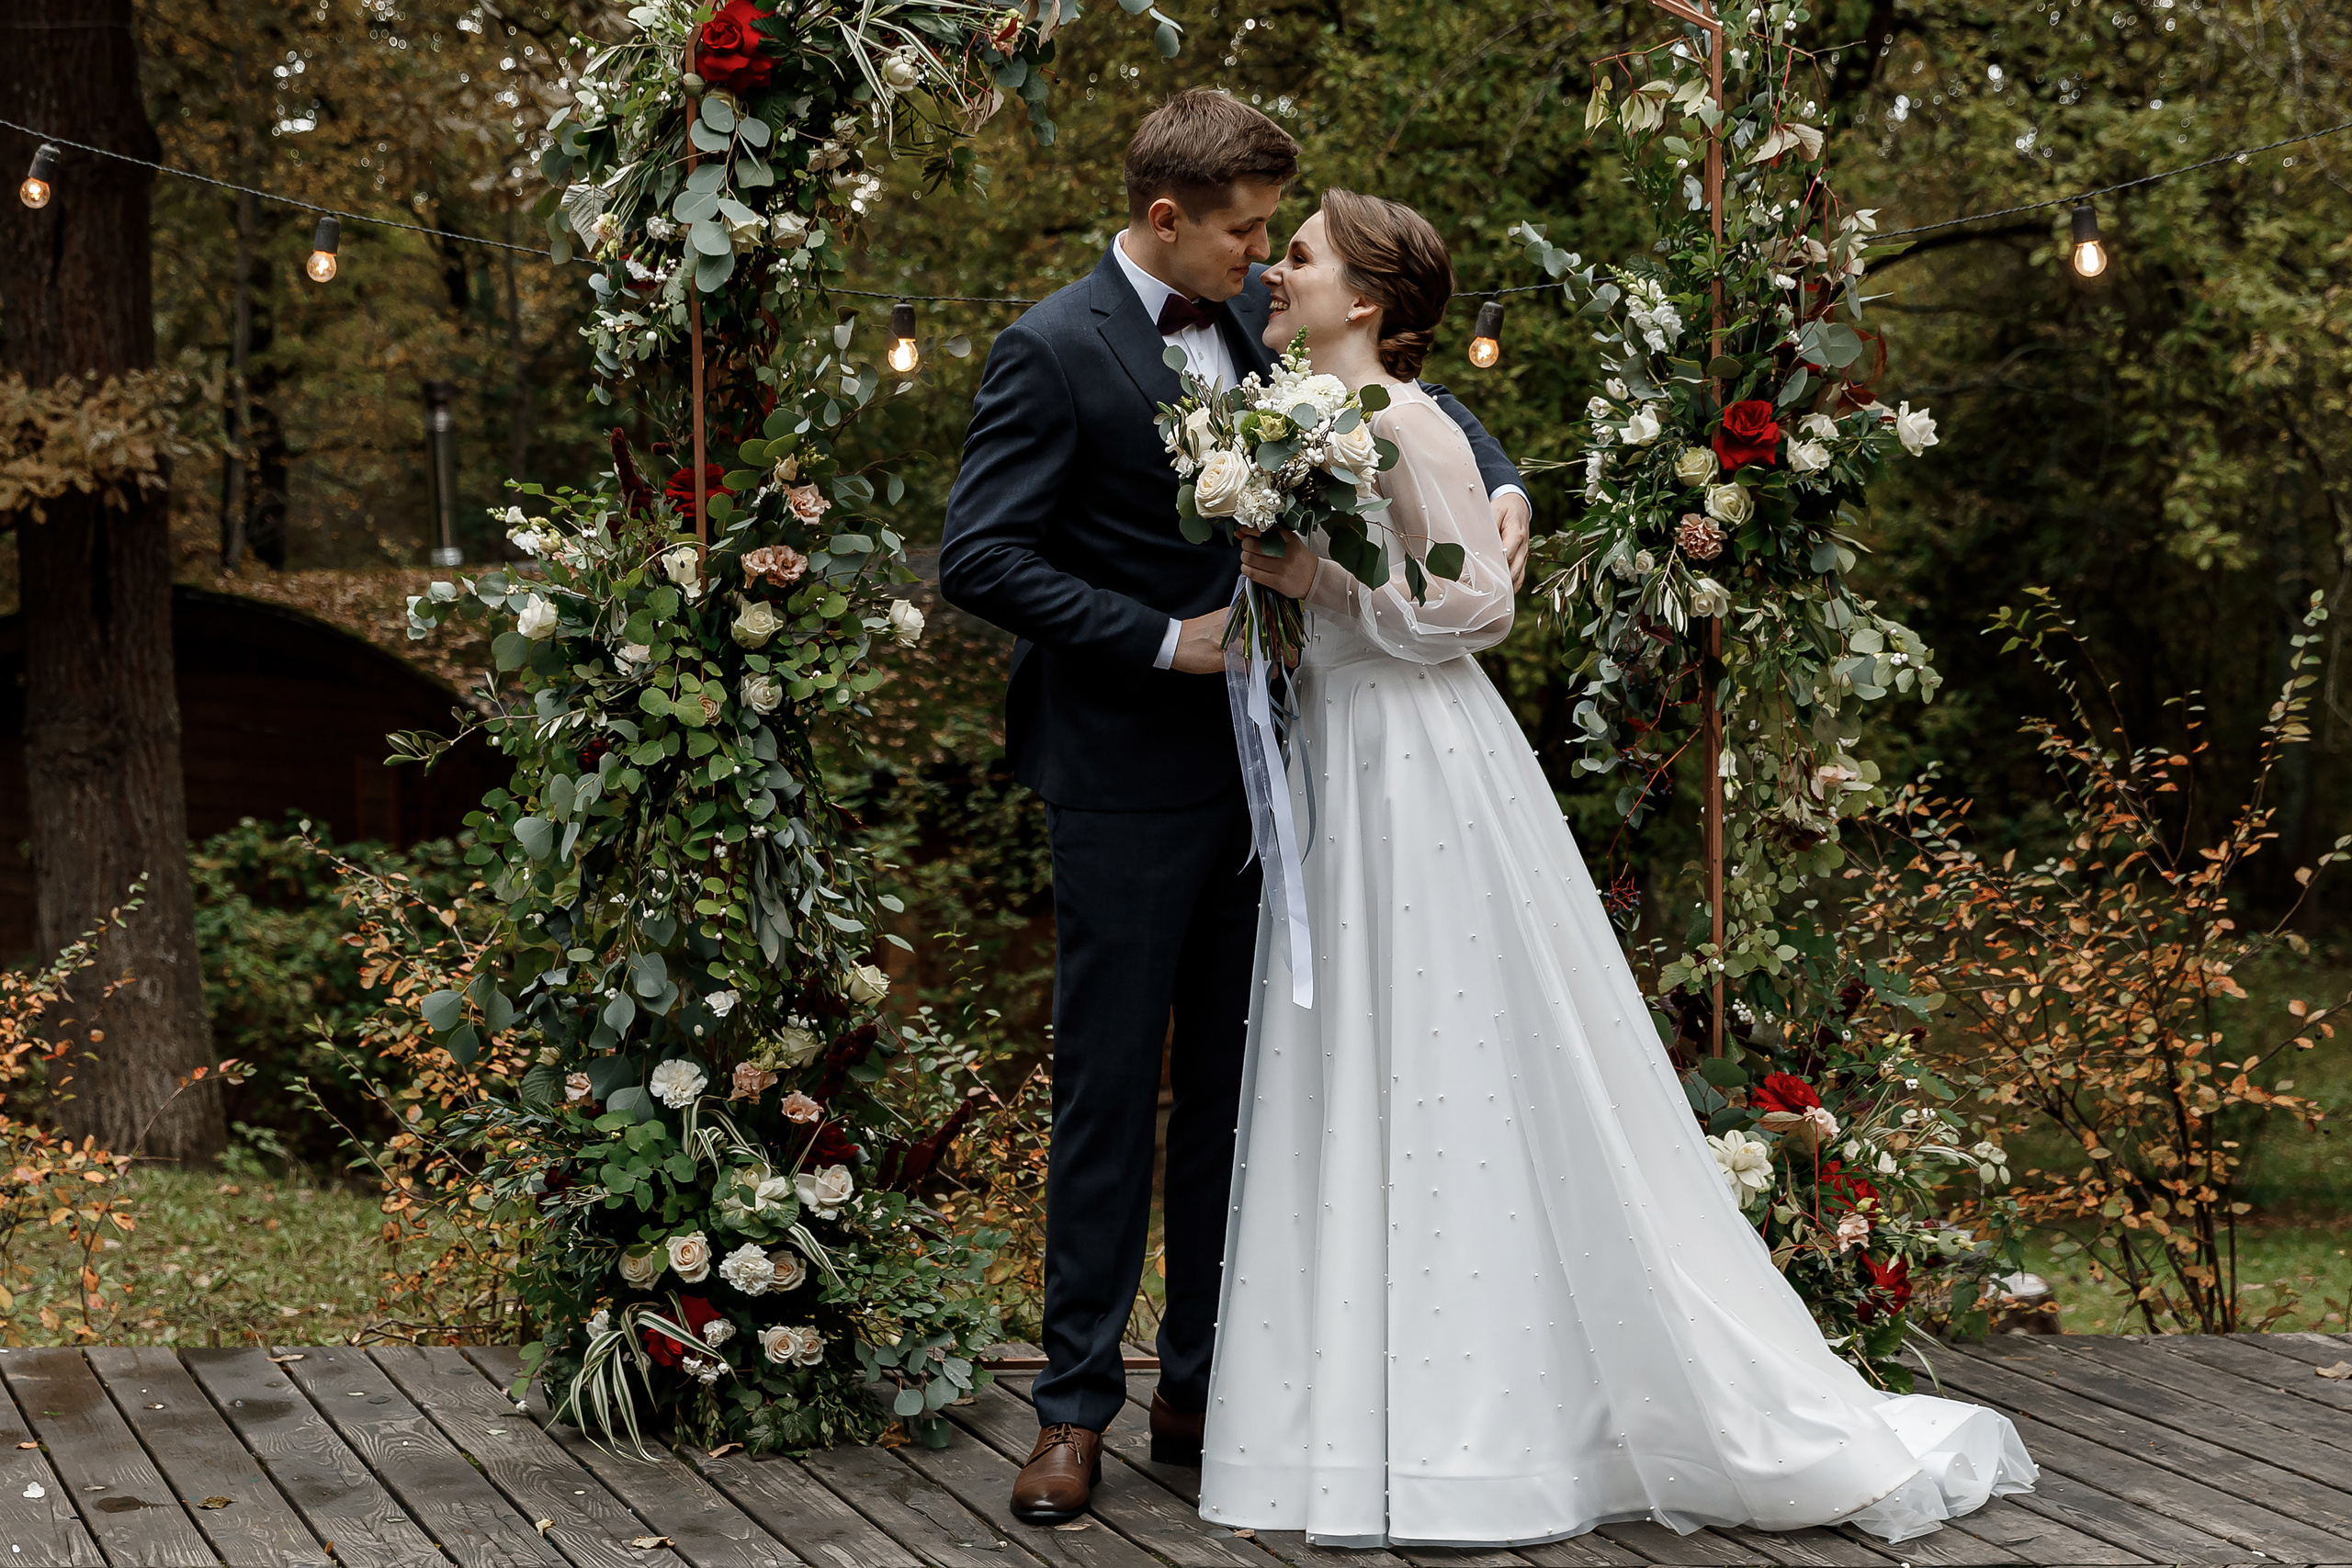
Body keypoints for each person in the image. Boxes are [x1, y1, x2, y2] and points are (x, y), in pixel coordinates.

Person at [1194, 190, 2039, 1550]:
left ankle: (1485, 1434)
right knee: (1363, 1059)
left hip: (1418, 765)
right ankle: (1358, 1426)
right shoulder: (1313, 408)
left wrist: (1320, 586)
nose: (1276, 271)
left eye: (1300, 257)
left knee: (1447, 1060)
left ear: (1367, 300)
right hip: (1344, 757)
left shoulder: (1401, 418)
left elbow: (1480, 607)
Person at [937, 94, 1531, 1526]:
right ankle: (1075, 1407)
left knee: (1240, 1100)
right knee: (1107, 1098)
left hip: (1290, 775)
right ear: (1167, 223)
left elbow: (1405, 410)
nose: (1270, 259)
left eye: (1282, 236)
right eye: (1248, 232)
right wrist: (1163, 638)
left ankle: (1206, 1385)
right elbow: (981, 556)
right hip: (1127, 781)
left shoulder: (1260, 341)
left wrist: (1507, 486)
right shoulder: (1052, 348)